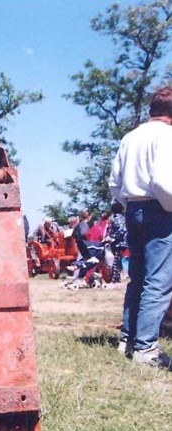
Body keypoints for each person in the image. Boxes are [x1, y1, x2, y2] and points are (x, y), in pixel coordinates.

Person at [109, 85, 172, 367]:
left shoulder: (130, 137)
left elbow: (114, 182)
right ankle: (146, 351)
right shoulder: (168, 136)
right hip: (160, 208)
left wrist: (128, 203)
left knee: (137, 277)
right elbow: (161, 181)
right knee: (158, 281)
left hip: (132, 208)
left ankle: (128, 340)